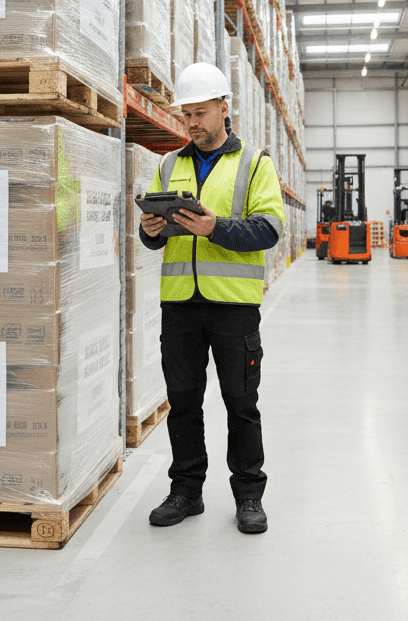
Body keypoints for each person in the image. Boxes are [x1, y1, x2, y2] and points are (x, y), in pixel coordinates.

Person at [139, 62, 285, 534]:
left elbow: (268, 229)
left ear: (224, 108)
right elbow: (154, 240)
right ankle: (186, 491)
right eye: (187, 115)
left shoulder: (256, 163)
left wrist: (214, 227)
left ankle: (248, 495)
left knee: (240, 403)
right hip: (180, 304)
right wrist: (150, 229)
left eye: (200, 113)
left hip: (233, 306)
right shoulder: (169, 164)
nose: (192, 123)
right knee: (183, 402)